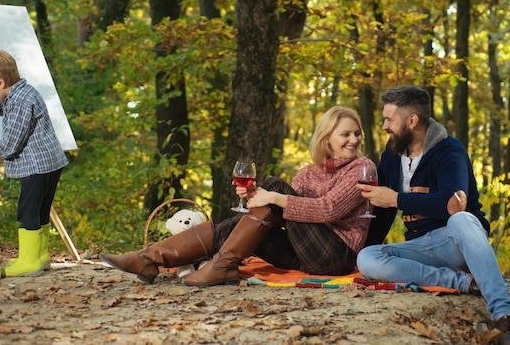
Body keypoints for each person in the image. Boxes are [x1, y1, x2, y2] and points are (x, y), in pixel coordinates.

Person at [101, 106, 375, 287]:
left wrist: (273, 197)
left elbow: (328, 210)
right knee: (263, 204)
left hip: (335, 256)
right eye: (346, 134)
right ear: (327, 138)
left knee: (276, 187)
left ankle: (210, 264)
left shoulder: (363, 168)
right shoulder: (307, 172)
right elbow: (283, 217)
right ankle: (151, 259)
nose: (354, 140)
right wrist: (255, 197)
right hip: (302, 253)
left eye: (357, 133)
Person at [356, 85, 510, 345]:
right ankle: (464, 282)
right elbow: (383, 211)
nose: (385, 125)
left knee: (461, 218)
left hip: (456, 243)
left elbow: (452, 203)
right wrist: (363, 246)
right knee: (368, 258)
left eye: (389, 119)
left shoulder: (449, 151)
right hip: (421, 248)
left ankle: (505, 318)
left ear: (411, 121)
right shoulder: (392, 152)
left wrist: (397, 198)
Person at [0, 50, 68, 278]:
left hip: (37, 165)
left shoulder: (21, 102)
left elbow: (13, 141)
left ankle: (30, 262)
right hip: (49, 163)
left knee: (27, 211)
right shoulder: (22, 93)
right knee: (40, 210)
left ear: (0, 82)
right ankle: (38, 257)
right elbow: (3, 104)